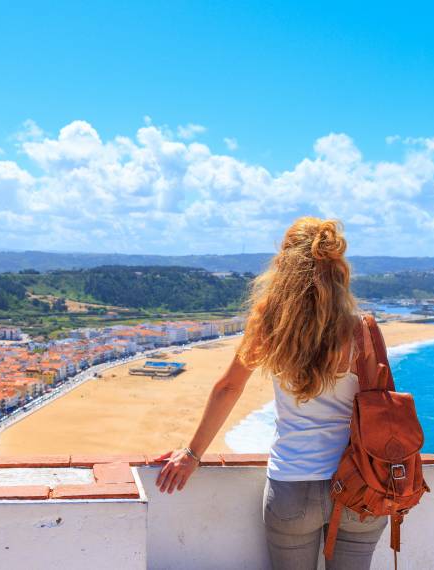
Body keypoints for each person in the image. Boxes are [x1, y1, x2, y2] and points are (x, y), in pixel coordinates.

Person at [155, 216, 388, 569]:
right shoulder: (362, 330)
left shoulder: (270, 324)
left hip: (292, 486)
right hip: (359, 485)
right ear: (338, 267)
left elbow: (229, 386)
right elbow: (382, 406)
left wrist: (192, 454)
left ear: (284, 265)